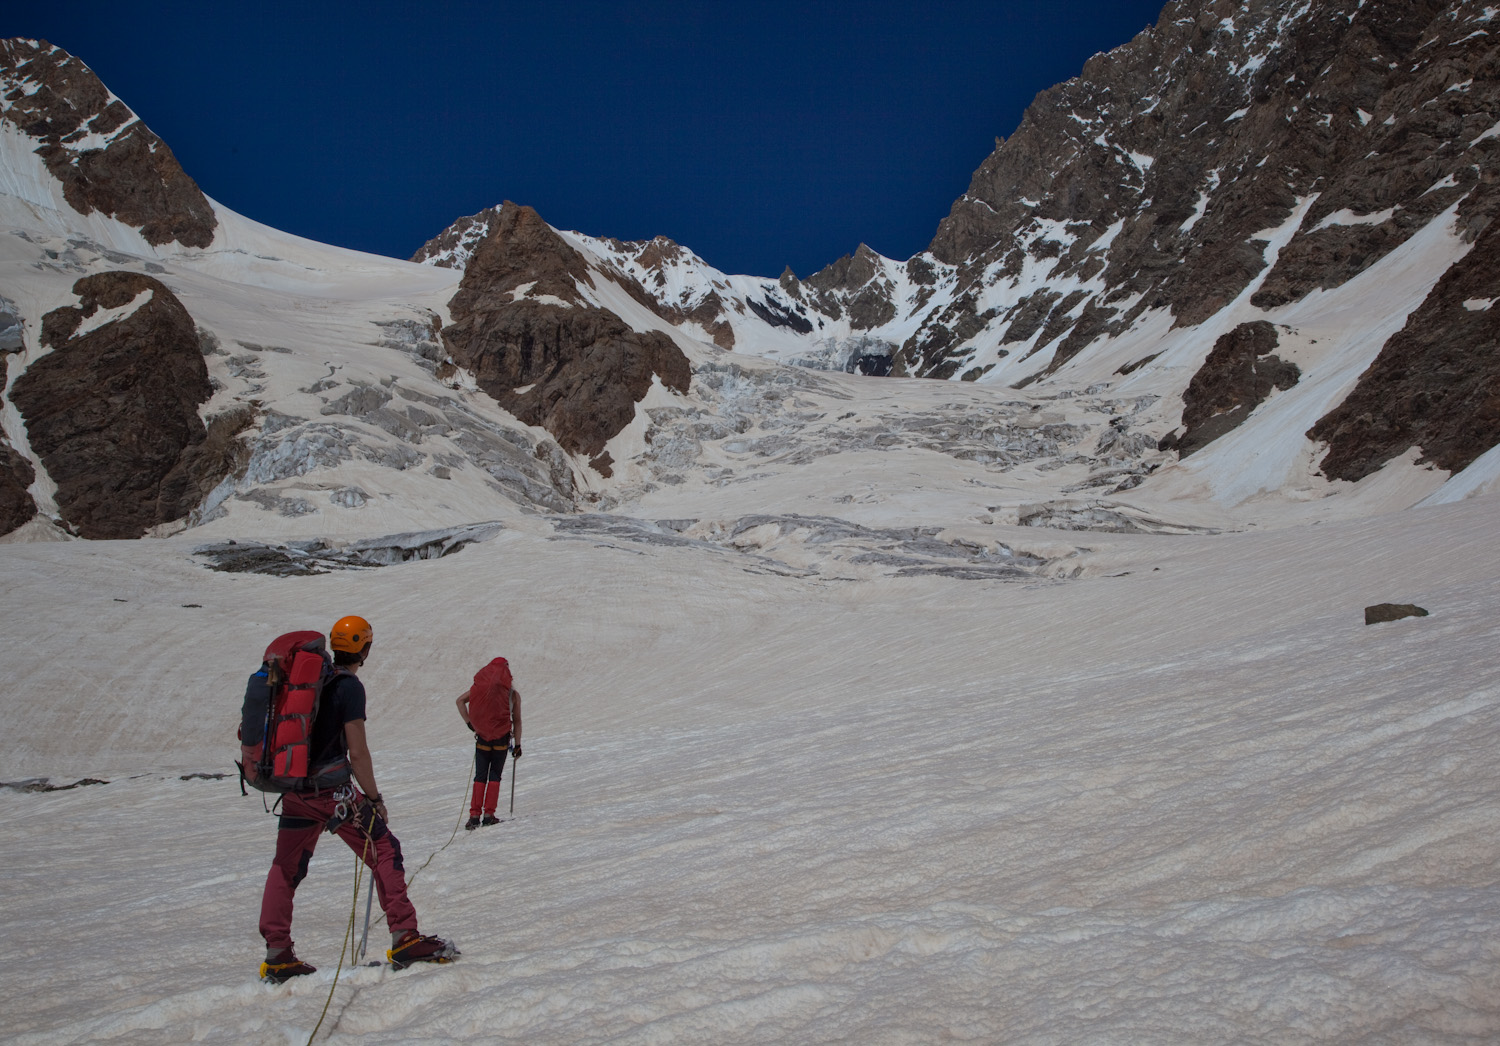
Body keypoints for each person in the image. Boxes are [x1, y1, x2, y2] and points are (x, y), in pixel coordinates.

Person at [258, 615, 456, 982]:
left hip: (294, 790)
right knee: (384, 846)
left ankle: (278, 954)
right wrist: (375, 797)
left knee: (284, 868)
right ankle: (405, 936)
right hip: (332, 793)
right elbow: (358, 751)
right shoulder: (348, 687)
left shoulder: (310, 682)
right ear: (364, 648)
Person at [455, 656, 523, 830]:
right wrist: (517, 745)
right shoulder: (512, 694)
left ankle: (474, 815)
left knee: (480, 776)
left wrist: (471, 724)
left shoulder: (479, 689)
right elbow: (517, 721)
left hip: (483, 738)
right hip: (501, 740)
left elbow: (459, 701)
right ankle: (489, 814)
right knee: (495, 776)